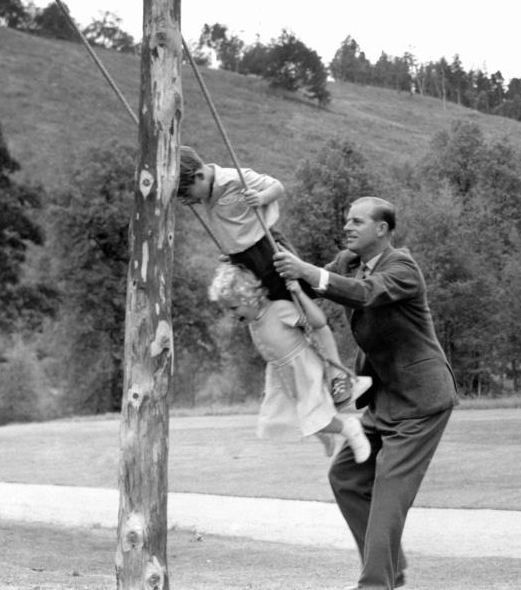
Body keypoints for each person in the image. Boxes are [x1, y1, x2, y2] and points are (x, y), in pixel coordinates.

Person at [274, 196, 458, 590]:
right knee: (347, 477)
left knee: (389, 494)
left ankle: (376, 584)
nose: (347, 227)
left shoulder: (403, 267)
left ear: (383, 230)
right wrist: (261, 242)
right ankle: (393, 567)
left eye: (357, 221)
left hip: (421, 400)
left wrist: (306, 270)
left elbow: (363, 293)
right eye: (346, 220)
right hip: (383, 398)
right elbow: (304, 282)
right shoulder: (348, 262)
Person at [178, 146, 356, 407]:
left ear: (197, 176)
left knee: (306, 313)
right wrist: (232, 250)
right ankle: (304, 379)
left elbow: (277, 187)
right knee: (268, 318)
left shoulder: (233, 178)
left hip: (268, 248)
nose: (190, 201)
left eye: (187, 194)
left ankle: (337, 374)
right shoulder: (203, 190)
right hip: (242, 260)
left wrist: (261, 198)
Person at [208, 262, 372, 461]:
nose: (232, 314)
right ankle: (326, 436)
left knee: (312, 415)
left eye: (234, 307)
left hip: (303, 368)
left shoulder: (279, 310)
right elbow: (270, 352)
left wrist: (300, 295)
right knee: (286, 419)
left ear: (249, 297)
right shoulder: (254, 323)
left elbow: (317, 322)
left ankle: (350, 429)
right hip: (284, 374)